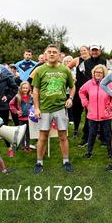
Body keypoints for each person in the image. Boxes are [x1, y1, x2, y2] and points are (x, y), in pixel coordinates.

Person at [32, 44, 75, 174]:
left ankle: (66, 161)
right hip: (44, 109)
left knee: (63, 135)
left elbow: (72, 86)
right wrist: (37, 108)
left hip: (60, 108)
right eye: (49, 52)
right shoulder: (40, 70)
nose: (51, 54)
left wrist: (70, 98)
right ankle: (39, 162)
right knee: (43, 136)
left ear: (59, 55)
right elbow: (35, 90)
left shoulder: (65, 70)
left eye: (54, 52)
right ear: (45, 55)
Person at [79, 64, 112, 159]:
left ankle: (110, 152)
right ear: (93, 73)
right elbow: (81, 91)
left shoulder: (109, 84)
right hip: (92, 114)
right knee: (91, 134)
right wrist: (86, 103)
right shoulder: (89, 83)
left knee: (108, 134)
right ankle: (89, 152)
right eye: (96, 72)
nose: (98, 74)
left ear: (104, 74)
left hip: (106, 114)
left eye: (100, 72)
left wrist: (111, 107)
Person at [9, 81, 33, 151]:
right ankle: (23, 147)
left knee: (28, 133)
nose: (25, 89)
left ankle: (28, 146)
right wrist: (16, 111)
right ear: (21, 88)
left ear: (29, 89)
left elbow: (35, 105)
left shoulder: (31, 97)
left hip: (29, 118)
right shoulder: (17, 97)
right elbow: (11, 104)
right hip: (21, 118)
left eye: (26, 88)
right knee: (22, 133)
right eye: (23, 88)